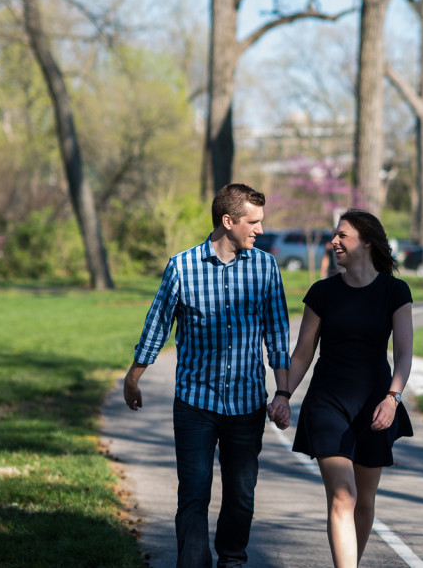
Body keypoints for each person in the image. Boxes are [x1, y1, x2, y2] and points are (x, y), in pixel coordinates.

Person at [123, 183, 292, 568]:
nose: (260, 230)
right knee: (194, 496)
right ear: (228, 221)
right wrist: (133, 377)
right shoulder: (182, 267)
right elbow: (157, 325)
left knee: (241, 495)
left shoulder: (265, 268)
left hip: (247, 407)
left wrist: (282, 392)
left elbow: (278, 336)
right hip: (195, 405)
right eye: (254, 222)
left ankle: (231, 560)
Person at [270, 209, 413, 568]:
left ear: (366, 241)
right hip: (327, 404)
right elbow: (302, 354)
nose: (333, 241)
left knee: (364, 501)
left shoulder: (395, 291)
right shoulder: (323, 292)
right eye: (335, 235)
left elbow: (405, 355)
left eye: (342, 235)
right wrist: (283, 394)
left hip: (375, 405)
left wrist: (392, 399)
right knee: (343, 496)